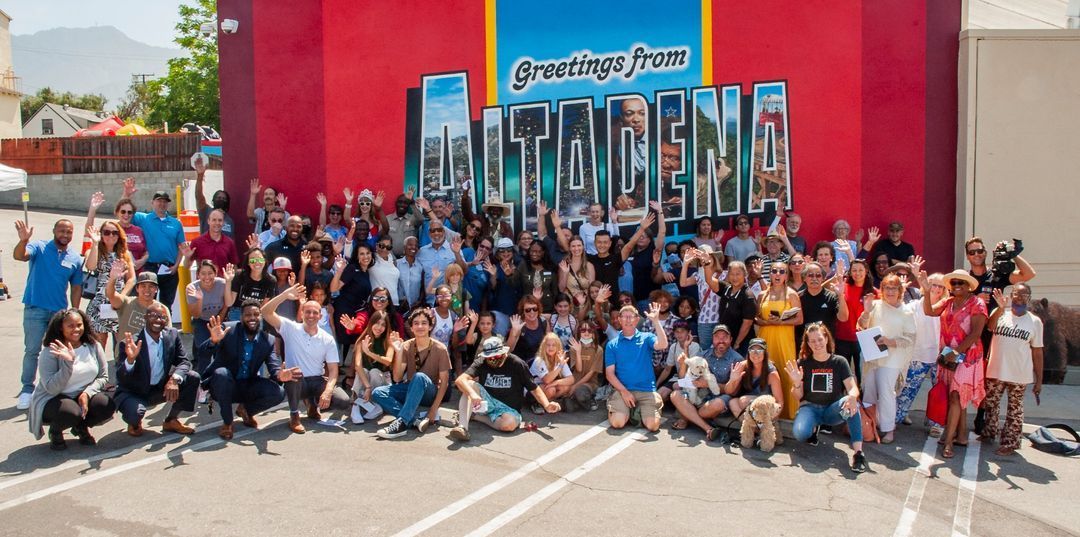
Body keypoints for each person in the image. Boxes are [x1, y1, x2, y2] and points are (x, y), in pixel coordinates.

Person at [13, 219, 84, 409]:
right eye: (61, 231)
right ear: (54, 231)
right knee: (32, 350)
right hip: (35, 309)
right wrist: (23, 240)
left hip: (59, 314)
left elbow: (76, 286)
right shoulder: (39, 247)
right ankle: (27, 389)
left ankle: (56, 388)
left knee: (58, 352)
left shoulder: (75, 258)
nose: (65, 235)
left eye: (69, 232)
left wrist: (75, 310)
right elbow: (20, 256)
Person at [917, 269, 988, 459]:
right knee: (954, 396)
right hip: (948, 355)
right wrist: (925, 291)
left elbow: (975, 334)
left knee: (956, 395)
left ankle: (948, 441)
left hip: (968, 356)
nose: (957, 286)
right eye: (954, 283)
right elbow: (929, 311)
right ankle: (961, 435)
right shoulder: (948, 302)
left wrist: (957, 352)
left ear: (968, 286)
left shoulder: (977, 303)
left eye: (961, 283)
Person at [262, 283, 347, 434]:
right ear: (301, 312)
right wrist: (284, 295)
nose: (311, 316)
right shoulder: (290, 328)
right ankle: (294, 415)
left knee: (343, 401)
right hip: (296, 381)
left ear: (320, 316)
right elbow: (265, 312)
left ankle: (312, 404)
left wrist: (327, 391)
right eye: (307, 312)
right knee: (294, 373)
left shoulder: (327, 338)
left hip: (316, 380)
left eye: (315, 313)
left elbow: (334, 370)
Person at [786, 323, 869, 473]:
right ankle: (812, 429)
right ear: (808, 343)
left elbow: (852, 387)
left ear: (826, 338)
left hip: (832, 410)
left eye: (819, 339)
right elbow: (797, 396)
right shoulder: (803, 363)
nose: (817, 344)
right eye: (812, 341)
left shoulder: (839, 361)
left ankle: (858, 453)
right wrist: (797, 383)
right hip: (810, 408)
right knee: (800, 434)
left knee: (851, 403)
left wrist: (852, 396)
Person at [27, 309, 115, 450]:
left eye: (79, 325)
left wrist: (87, 393)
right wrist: (68, 363)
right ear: (61, 327)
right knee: (71, 412)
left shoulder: (93, 346)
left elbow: (103, 377)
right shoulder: (50, 352)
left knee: (106, 405)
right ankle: (55, 432)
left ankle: (81, 427)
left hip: (83, 395)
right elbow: (51, 388)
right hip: (54, 398)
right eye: (71, 326)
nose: (76, 329)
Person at [198, 306, 288, 439]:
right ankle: (228, 423)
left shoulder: (268, 340)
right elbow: (202, 353)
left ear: (261, 317)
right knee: (222, 374)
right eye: (248, 315)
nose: (252, 318)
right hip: (222, 384)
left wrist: (280, 375)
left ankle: (246, 410)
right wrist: (213, 341)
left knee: (278, 392)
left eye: (256, 314)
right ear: (241, 317)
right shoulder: (228, 330)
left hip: (247, 384)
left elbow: (274, 367)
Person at [450, 336, 562, 442]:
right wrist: (472, 394)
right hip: (487, 400)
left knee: (508, 425)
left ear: (504, 353)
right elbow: (460, 380)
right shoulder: (481, 362)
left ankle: (476, 417)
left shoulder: (517, 364)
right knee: (468, 384)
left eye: (496, 356)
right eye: (490, 357)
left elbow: (534, 388)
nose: (493, 359)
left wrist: (546, 405)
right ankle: (462, 427)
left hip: (509, 408)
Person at [115, 302, 200, 436]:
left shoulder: (171, 335)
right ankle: (135, 423)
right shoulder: (130, 343)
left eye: (162, 317)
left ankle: (171, 420)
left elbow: (184, 361)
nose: (158, 320)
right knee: (135, 414)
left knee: (192, 377)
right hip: (134, 392)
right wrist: (130, 360)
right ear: (145, 317)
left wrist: (174, 379)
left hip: (160, 387)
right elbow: (121, 378)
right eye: (153, 315)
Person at [980, 285, 1043, 456]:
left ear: (1029, 297)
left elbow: (1037, 351)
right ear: (1011, 295)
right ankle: (989, 433)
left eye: (1024, 295)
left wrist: (1039, 380)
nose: (1020, 298)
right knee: (991, 405)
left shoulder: (1035, 322)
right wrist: (1000, 308)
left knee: (1014, 410)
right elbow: (989, 327)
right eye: (1016, 294)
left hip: (1019, 373)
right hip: (996, 369)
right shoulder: (1002, 315)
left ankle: (1011, 442)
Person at [856, 274, 916, 443]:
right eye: (886, 288)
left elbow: (910, 338)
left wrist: (890, 341)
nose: (890, 292)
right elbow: (861, 325)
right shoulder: (875, 305)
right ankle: (869, 424)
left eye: (894, 288)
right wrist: (866, 312)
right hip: (872, 356)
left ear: (900, 290)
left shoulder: (906, 311)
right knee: (869, 390)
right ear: (881, 290)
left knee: (886, 392)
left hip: (892, 359)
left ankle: (888, 429)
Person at [375, 308, 451, 439]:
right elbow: (397, 378)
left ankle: (402, 423)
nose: (420, 326)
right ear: (411, 327)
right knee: (378, 392)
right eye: (416, 323)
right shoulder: (406, 345)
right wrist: (398, 352)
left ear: (430, 326)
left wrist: (433, 410)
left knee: (419, 376)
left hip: (429, 391)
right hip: (411, 388)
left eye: (424, 323)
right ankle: (412, 419)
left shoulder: (440, 348)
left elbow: (444, 382)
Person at [668, 326, 742, 440]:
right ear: (713, 339)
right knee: (675, 393)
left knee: (716, 404)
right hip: (700, 395)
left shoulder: (737, 359)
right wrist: (683, 362)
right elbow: (684, 377)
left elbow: (735, 391)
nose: (721, 340)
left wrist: (708, 384)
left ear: (731, 339)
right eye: (717, 337)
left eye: (725, 337)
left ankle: (687, 415)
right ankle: (707, 428)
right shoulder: (704, 354)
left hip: (719, 398)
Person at [605, 303, 668, 432]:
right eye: (624, 317)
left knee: (653, 426)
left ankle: (636, 411)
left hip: (646, 390)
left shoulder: (647, 338)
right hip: (623, 390)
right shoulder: (612, 344)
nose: (628, 320)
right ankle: (620, 408)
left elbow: (662, 344)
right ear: (619, 319)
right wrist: (624, 392)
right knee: (617, 423)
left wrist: (656, 321)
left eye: (631, 317)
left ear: (637, 319)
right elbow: (609, 374)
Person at [896, 272, 945, 433]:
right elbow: (898, 311)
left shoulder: (947, 306)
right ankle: (896, 418)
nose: (936, 288)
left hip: (941, 358)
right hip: (918, 356)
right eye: (933, 284)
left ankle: (935, 423)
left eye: (941, 286)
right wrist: (900, 292)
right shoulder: (916, 305)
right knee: (907, 391)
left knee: (939, 394)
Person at [755, 260, 803, 419]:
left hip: (784, 340)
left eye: (781, 272)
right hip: (765, 337)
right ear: (770, 273)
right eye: (774, 271)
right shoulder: (763, 294)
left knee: (785, 373)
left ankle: (788, 414)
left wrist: (781, 322)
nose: (777, 274)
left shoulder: (792, 294)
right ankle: (763, 413)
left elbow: (799, 319)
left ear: (786, 275)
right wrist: (767, 322)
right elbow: (756, 318)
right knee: (764, 373)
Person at [131, 190, 187, 310]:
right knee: (146, 303)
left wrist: (176, 265)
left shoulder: (176, 223)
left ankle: (166, 327)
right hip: (149, 268)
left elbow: (181, 247)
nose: (162, 204)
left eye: (165, 201)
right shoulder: (143, 219)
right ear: (152, 202)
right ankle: (146, 328)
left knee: (166, 306)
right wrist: (127, 193)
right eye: (159, 201)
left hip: (169, 269)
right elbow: (124, 211)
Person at [84, 220, 136, 350]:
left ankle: (121, 369)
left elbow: (131, 279)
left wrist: (121, 298)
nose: (111, 236)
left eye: (114, 233)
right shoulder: (94, 250)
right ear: (101, 234)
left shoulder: (125, 254)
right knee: (99, 342)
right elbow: (90, 266)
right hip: (99, 302)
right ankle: (100, 370)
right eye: (106, 232)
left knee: (122, 343)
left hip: (118, 301)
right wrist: (95, 243)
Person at [835, 259, 876, 386]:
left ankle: (863, 403)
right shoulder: (843, 287)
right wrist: (838, 275)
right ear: (850, 272)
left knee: (863, 376)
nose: (857, 273)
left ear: (866, 271)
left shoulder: (874, 292)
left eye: (860, 270)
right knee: (843, 375)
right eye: (854, 270)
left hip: (865, 339)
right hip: (843, 337)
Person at [350, 310, 395, 424]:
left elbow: (388, 361)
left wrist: (369, 353)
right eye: (377, 323)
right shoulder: (362, 340)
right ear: (371, 323)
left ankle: (376, 404)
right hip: (366, 381)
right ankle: (355, 407)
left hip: (381, 380)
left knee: (374, 371)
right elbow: (358, 365)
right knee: (364, 370)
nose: (379, 327)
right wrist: (368, 387)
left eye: (383, 325)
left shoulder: (388, 341)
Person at [726, 337, 785, 419]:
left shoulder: (772, 373)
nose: (755, 354)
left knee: (744, 401)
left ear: (765, 353)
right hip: (750, 409)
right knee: (733, 403)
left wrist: (771, 419)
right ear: (748, 353)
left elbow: (780, 402)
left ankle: (761, 427)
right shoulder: (742, 366)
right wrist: (732, 380)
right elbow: (728, 391)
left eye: (759, 350)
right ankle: (752, 428)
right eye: (752, 350)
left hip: (766, 409)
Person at [185, 261, 228, 370]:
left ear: (216, 273)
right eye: (203, 273)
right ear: (198, 275)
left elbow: (227, 304)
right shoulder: (191, 288)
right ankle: (202, 379)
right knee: (204, 350)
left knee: (220, 349)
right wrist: (199, 299)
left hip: (219, 318)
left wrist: (219, 321)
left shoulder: (223, 284)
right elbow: (195, 314)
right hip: (201, 319)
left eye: (210, 273)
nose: (207, 277)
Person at [796, 261, 848, 346]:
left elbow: (843, 318)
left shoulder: (832, 297)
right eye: (810, 275)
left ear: (823, 278)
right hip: (803, 345)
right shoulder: (797, 297)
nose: (814, 278)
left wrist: (841, 296)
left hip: (826, 346)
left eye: (818, 275)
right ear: (804, 278)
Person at [225, 248, 275, 321]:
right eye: (252, 260)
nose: (257, 262)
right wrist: (228, 281)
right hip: (238, 312)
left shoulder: (270, 280)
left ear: (265, 261)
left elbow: (264, 306)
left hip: (257, 313)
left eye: (260, 259)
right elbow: (229, 303)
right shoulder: (239, 275)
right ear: (248, 263)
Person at [530, 332, 576, 409]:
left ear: (558, 347)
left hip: (548, 385)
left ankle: (550, 402)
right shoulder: (539, 360)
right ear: (544, 346)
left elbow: (571, 379)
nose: (551, 348)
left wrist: (556, 382)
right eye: (548, 345)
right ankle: (537, 404)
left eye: (553, 345)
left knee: (566, 387)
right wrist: (560, 365)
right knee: (551, 389)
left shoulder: (559, 358)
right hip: (533, 388)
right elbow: (547, 380)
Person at [565, 324, 604, 411]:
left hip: (590, 383)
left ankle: (590, 399)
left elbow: (591, 373)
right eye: (583, 330)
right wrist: (578, 352)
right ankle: (577, 403)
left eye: (590, 330)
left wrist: (575, 386)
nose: (586, 332)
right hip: (574, 381)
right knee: (569, 408)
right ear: (579, 333)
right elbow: (579, 369)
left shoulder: (598, 350)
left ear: (594, 334)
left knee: (580, 392)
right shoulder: (573, 348)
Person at [189, 209, 239, 273]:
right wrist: (187, 257)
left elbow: (234, 266)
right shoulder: (196, 242)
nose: (217, 223)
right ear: (208, 221)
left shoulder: (230, 243)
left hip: (223, 282)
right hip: (204, 281)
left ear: (223, 222)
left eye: (220, 220)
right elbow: (187, 266)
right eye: (214, 220)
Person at [193, 158, 234, 236]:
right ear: (213, 200)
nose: (221, 200)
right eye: (218, 198)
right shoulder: (206, 211)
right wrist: (200, 176)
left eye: (224, 199)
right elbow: (198, 196)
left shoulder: (229, 221)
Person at [507, 296, 548, 362]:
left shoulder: (543, 321)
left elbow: (550, 341)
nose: (532, 312)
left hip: (540, 362)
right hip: (524, 364)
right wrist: (514, 333)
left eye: (534, 309)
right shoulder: (519, 325)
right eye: (528, 310)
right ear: (523, 311)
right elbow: (508, 349)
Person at [112, 198, 148, 270]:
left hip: (137, 273)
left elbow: (146, 252)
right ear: (117, 212)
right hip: (117, 273)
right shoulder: (112, 229)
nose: (126, 214)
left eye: (129, 212)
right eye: (123, 211)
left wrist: (142, 261)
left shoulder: (138, 230)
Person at [386, 191, 422, 257]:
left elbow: (421, 219)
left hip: (408, 259)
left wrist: (412, 203)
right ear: (396, 203)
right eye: (400, 202)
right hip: (390, 259)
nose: (402, 205)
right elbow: (383, 239)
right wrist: (392, 257)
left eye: (405, 203)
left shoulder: (413, 219)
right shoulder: (387, 219)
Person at [370, 235, 401, 305]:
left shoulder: (392, 260)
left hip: (394, 303)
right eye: (382, 246)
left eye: (388, 247)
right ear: (376, 245)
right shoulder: (372, 260)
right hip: (379, 304)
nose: (384, 249)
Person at [396, 236, 424, 310]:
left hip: (415, 307)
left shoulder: (420, 266)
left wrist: (419, 301)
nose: (413, 247)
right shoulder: (396, 264)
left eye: (416, 245)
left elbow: (422, 287)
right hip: (400, 306)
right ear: (404, 247)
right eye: (410, 245)